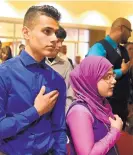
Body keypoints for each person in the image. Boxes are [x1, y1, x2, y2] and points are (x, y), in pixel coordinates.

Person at [0, 5, 67, 155]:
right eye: (46, 31)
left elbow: (59, 127)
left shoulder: (56, 80)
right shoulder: (4, 74)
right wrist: (36, 111)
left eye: (55, 33)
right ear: (26, 32)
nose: (54, 39)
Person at [66, 56, 123, 155]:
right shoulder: (79, 111)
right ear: (91, 78)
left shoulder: (100, 103)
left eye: (113, 75)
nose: (114, 81)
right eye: (107, 76)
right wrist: (115, 131)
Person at [86, 17, 131, 127]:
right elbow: (93, 73)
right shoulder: (99, 47)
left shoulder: (123, 50)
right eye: (129, 30)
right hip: (105, 105)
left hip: (122, 106)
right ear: (121, 28)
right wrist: (121, 71)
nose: (130, 35)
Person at [45, 26, 74, 113]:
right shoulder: (38, 61)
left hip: (59, 114)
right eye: (57, 41)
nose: (60, 45)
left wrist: (66, 112)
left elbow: (70, 92)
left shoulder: (66, 64)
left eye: (62, 41)